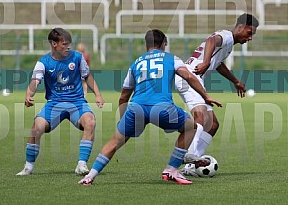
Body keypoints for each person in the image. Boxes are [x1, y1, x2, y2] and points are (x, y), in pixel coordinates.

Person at [78, 29, 222, 186]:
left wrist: (123, 120)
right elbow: (188, 76)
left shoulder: (136, 63)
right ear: (164, 44)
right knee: (191, 127)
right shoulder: (171, 58)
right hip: (162, 108)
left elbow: (124, 96)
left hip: (136, 108)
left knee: (114, 142)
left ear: (146, 45)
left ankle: (89, 177)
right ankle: (172, 169)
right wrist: (205, 96)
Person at [175, 13, 259, 176]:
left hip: (196, 79)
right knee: (201, 119)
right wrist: (205, 62)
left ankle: (192, 163)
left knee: (212, 125)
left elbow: (218, 64)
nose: (250, 38)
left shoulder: (228, 43)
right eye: (249, 33)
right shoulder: (226, 37)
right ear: (240, 27)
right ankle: (188, 159)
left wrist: (235, 81)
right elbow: (211, 41)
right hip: (190, 77)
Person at [16, 28, 105, 176]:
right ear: (54, 44)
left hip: (77, 102)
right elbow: (35, 81)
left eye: (69, 44)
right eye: (64, 44)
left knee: (90, 122)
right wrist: (28, 94)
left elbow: (87, 76)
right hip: (54, 103)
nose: (68, 47)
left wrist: (98, 94)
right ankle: (28, 167)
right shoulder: (43, 62)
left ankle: (81, 164)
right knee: (37, 127)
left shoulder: (77, 57)